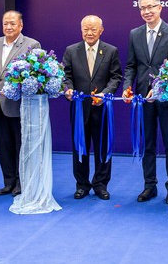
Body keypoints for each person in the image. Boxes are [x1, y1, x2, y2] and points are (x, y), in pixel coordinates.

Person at [123, 0, 168, 203]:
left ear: (160, 7)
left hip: (165, 97)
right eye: (142, 8)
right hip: (142, 97)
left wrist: (157, 87)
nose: (146, 11)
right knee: (147, 143)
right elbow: (131, 65)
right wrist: (127, 87)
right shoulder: (134, 34)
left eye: (150, 7)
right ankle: (149, 186)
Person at [0, 10, 41, 196]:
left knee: (20, 145)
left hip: (19, 105)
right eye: (5, 23)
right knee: (4, 145)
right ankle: (8, 181)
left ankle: (22, 182)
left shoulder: (31, 44)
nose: (8, 27)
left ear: (21, 25)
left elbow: (34, 76)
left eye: (12, 23)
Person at [62, 15, 122, 200]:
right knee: (79, 147)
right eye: (85, 29)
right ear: (81, 30)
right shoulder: (71, 50)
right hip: (79, 108)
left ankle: (100, 184)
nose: (89, 32)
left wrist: (105, 93)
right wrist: (68, 89)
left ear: (101, 31)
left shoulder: (111, 51)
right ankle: (82, 185)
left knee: (103, 147)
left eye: (93, 29)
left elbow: (116, 77)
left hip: (102, 108)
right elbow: (65, 76)